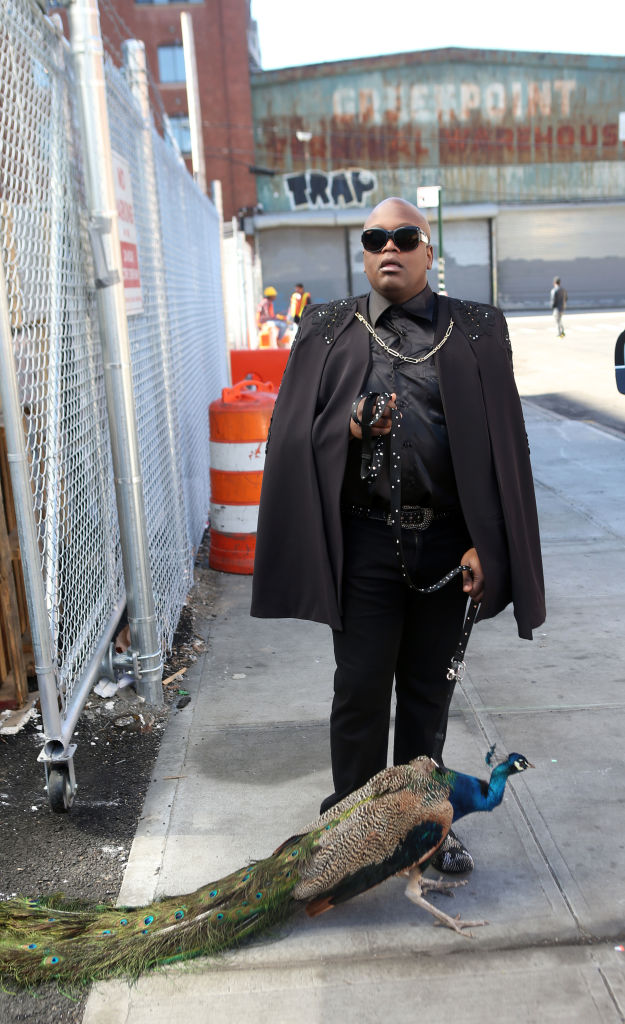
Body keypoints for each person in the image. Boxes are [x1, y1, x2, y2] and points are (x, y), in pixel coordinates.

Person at [251, 197, 545, 873]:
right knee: (358, 690)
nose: (389, 246)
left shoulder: (475, 330)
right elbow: (289, 435)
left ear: (426, 250)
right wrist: (347, 428)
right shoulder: (326, 327)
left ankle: (421, 826)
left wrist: (485, 543)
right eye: (375, 237)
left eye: (403, 236)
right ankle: (350, 830)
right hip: (363, 544)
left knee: (424, 697)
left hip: (444, 548)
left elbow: (504, 448)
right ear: (363, 251)